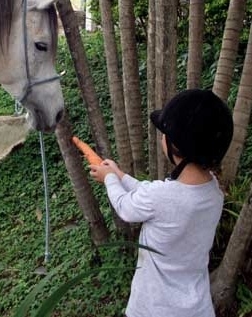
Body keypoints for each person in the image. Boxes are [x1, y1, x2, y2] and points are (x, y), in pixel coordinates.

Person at [89, 89, 234, 317]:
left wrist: (108, 178)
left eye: (163, 133)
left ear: (175, 145)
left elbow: (126, 207)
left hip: (154, 308)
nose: (161, 137)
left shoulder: (162, 197)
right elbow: (154, 196)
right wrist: (119, 174)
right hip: (197, 307)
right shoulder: (213, 191)